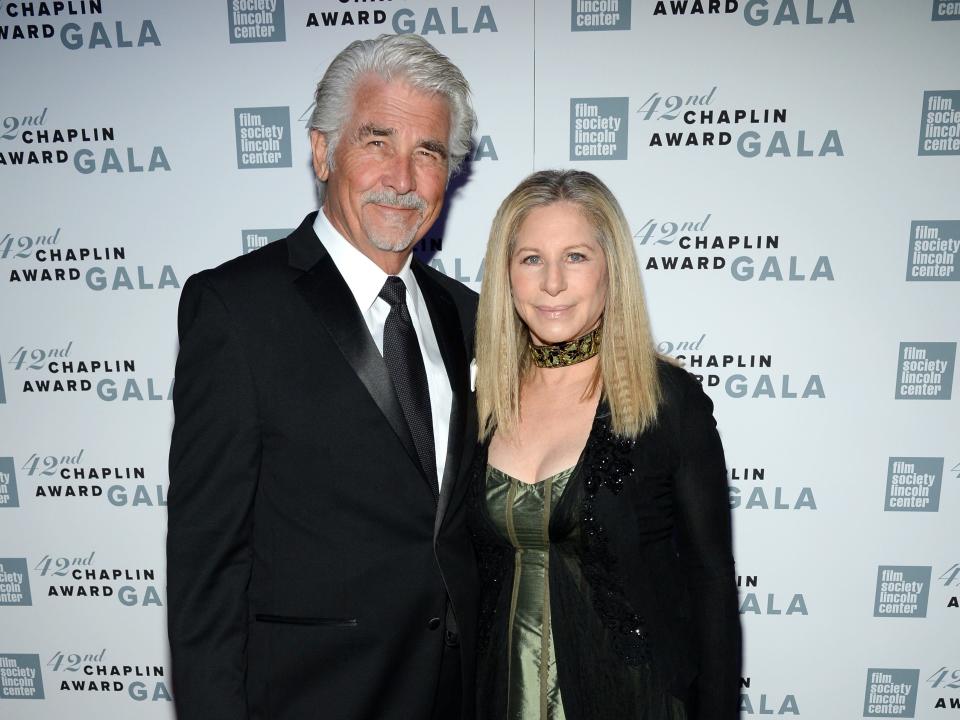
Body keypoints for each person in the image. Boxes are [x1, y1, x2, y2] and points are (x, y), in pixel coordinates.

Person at [167, 34, 479, 720]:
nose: (402, 177)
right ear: (321, 151)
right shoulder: (237, 310)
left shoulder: (469, 315)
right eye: (377, 141)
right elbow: (206, 567)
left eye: (427, 151)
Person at [469, 170, 741, 719]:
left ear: (610, 268)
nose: (552, 283)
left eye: (575, 257)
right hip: (499, 695)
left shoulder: (666, 400)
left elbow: (710, 580)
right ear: (505, 274)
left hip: (633, 699)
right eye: (530, 259)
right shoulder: (479, 399)